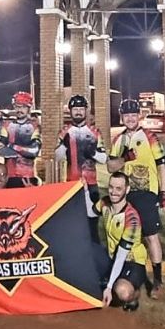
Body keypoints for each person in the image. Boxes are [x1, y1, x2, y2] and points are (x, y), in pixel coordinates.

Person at [107, 98, 165, 298]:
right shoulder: (119, 139)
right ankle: (133, 277)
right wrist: (124, 158)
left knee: (151, 236)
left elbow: (161, 166)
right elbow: (111, 167)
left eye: (134, 115)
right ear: (122, 117)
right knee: (129, 237)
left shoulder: (150, 137)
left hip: (146, 193)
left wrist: (164, 192)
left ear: (139, 116)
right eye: (127, 116)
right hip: (125, 195)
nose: (130, 119)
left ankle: (157, 280)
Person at [54, 94, 106, 239]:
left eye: (81, 109)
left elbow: (104, 159)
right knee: (72, 224)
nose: (78, 112)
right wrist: (63, 145)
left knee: (92, 224)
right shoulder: (64, 131)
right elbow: (58, 158)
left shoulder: (95, 132)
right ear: (70, 111)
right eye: (75, 109)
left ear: (86, 111)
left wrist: (93, 153)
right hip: (72, 184)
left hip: (91, 184)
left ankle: (93, 249)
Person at [99, 172, 149, 311]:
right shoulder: (104, 203)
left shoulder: (132, 219)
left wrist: (109, 287)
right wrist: (84, 190)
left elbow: (121, 256)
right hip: (111, 256)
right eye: (111, 187)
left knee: (122, 291)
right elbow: (89, 212)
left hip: (132, 260)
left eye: (118, 188)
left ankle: (134, 294)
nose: (113, 192)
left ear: (127, 190)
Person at [0, 91, 41, 187]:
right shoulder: (7, 125)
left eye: (23, 107)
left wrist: (11, 146)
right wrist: (24, 150)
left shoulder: (34, 127)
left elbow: (34, 152)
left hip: (28, 177)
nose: (19, 110)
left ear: (29, 108)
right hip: (9, 177)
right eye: (17, 106)